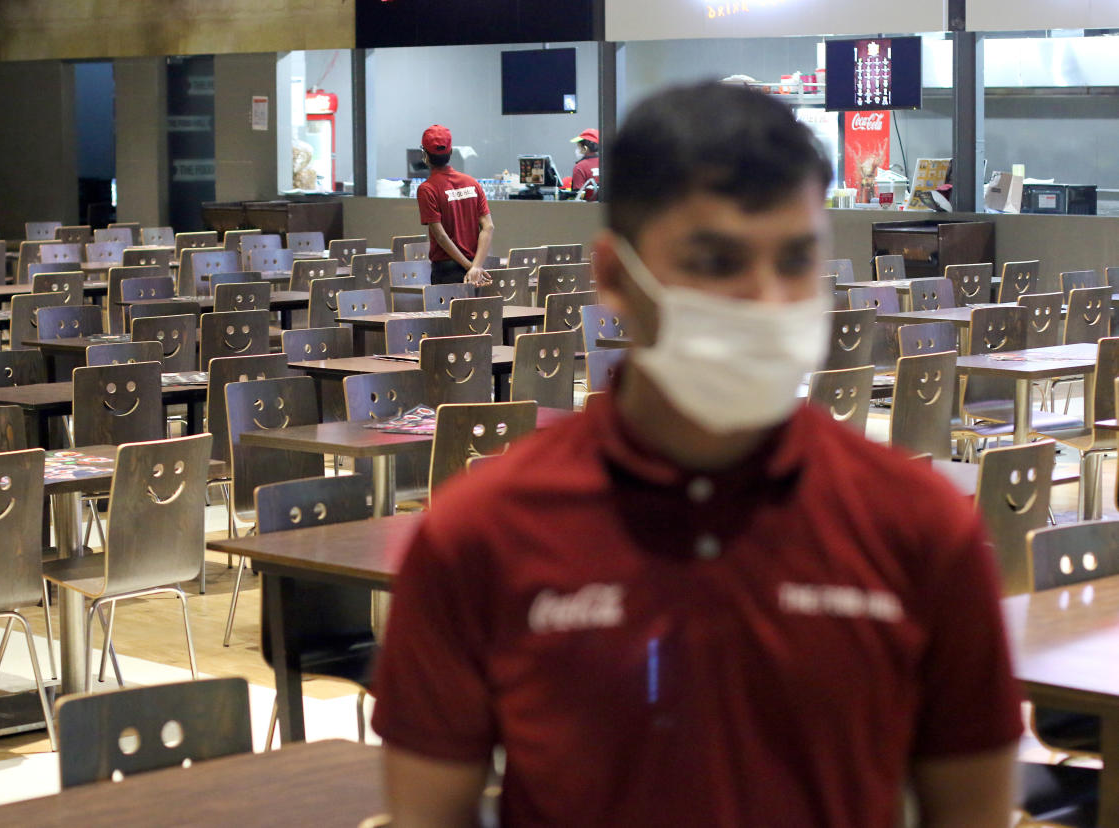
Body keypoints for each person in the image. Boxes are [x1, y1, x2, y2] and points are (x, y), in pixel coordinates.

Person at [373, 81, 1021, 826]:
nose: (764, 296)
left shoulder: (920, 528)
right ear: (616, 277)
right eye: (715, 261)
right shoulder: (480, 535)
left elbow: (970, 808)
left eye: (795, 259)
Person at [416, 124, 494, 286]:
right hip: (476, 270)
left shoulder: (427, 189)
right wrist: (476, 266)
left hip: (447, 272)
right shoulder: (472, 183)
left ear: (425, 155)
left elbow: (441, 236)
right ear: (450, 152)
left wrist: (469, 268)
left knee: (447, 312)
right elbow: (488, 227)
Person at [569, 127, 600, 201]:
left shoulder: (580, 167)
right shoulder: (607, 163)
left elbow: (577, 196)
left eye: (578, 146)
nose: (577, 150)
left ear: (585, 148)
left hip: (588, 210)